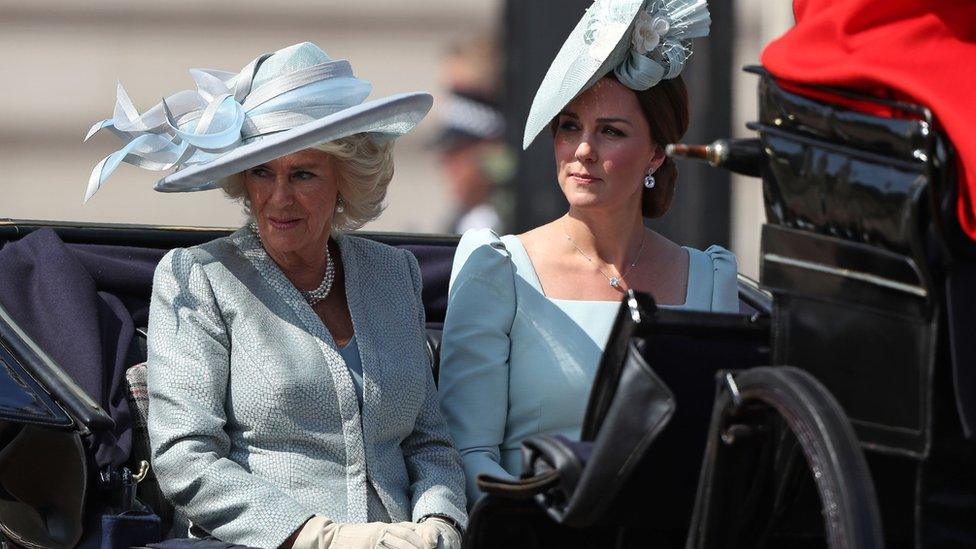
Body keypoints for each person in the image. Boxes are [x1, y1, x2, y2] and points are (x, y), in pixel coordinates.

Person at [86, 42, 466, 549]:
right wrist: (321, 538)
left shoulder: (392, 274)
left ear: (343, 182)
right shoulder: (199, 277)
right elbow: (185, 457)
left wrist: (441, 523)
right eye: (263, 172)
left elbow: (428, 441)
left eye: (302, 173)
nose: (278, 197)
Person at [437, 0, 736, 506]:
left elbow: (718, 456)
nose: (582, 150)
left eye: (611, 132)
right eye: (570, 126)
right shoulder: (497, 268)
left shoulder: (710, 278)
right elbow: (470, 451)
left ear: (656, 154)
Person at [433, 90, 510, 234]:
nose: (446, 165)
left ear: (489, 152)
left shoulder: (519, 217)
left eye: (456, 153)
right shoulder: (458, 221)